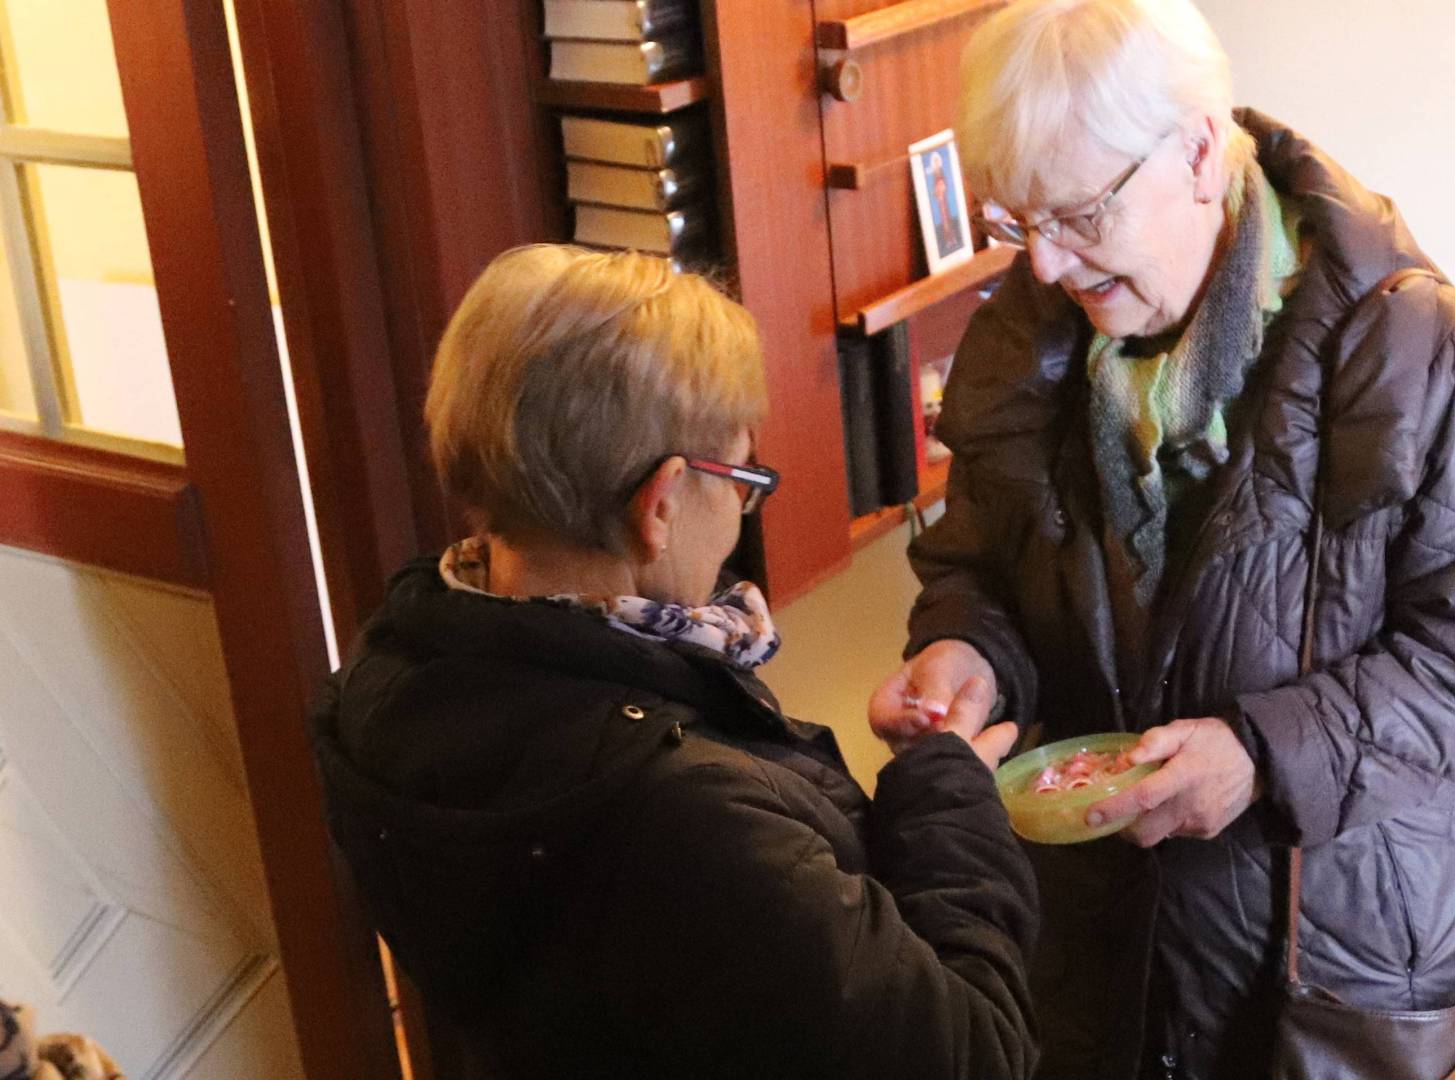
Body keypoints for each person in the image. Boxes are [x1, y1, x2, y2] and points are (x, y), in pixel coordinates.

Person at [868, 1, 1455, 1076]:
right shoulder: (1027, 339)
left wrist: (1261, 755)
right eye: (1018, 224)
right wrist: (967, 650)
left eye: (1078, 215)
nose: (1047, 266)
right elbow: (979, 560)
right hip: (1121, 941)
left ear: (1200, 152)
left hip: (1357, 959)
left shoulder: (1416, 350)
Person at [311, 245, 1039, 1078]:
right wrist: (948, 800)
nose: (739, 511)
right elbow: (973, 1054)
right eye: (740, 475)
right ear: (658, 506)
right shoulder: (687, 819)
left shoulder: (394, 670)